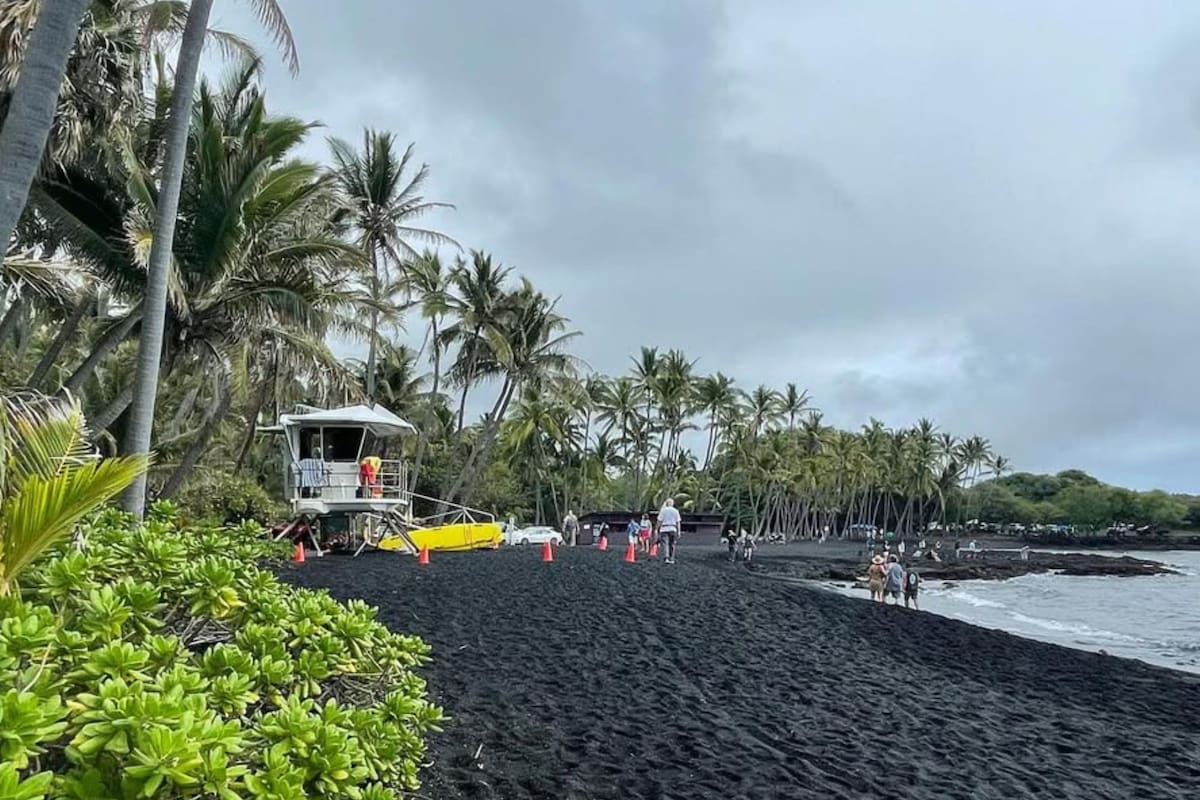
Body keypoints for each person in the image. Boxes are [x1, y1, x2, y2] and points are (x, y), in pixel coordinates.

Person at [656, 497, 682, 564]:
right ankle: (672, 558)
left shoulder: (663, 511)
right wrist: (679, 531)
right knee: (672, 544)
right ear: (672, 504)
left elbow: (659, 520)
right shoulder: (676, 511)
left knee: (665, 544)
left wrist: (656, 529)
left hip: (664, 529)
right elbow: (678, 522)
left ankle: (666, 558)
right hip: (673, 529)